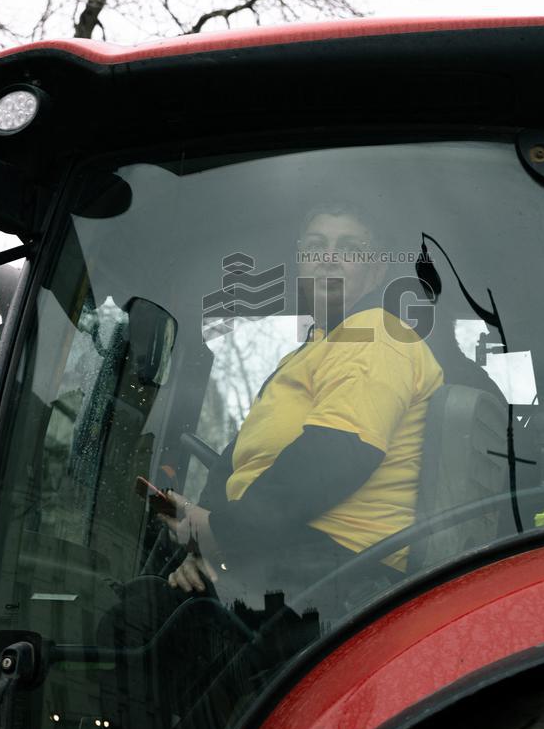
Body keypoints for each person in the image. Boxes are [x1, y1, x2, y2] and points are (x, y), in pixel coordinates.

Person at [162, 201, 444, 613]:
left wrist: (222, 532)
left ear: (376, 272)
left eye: (349, 248)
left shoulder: (377, 334)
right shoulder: (309, 353)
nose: (329, 257)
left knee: (145, 619)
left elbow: (334, 456)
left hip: (338, 570)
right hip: (283, 554)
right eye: (315, 246)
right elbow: (236, 462)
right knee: (153, 605)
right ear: (301, 265)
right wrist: (207, 547)